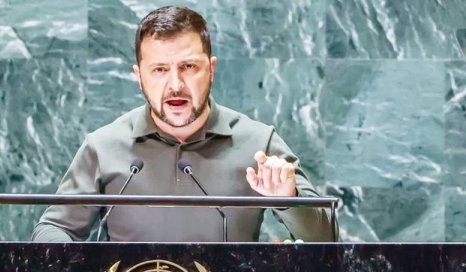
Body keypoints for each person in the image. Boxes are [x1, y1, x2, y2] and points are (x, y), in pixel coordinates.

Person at [32, 6, 335, 243]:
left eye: (189, 67)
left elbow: (328, 239)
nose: (175, 84)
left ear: (211, 70)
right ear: (139, 76)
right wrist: (79, 266)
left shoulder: (259, 143)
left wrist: (289, 201)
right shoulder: (103, 146)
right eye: (160, 70)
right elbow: (53, 229)